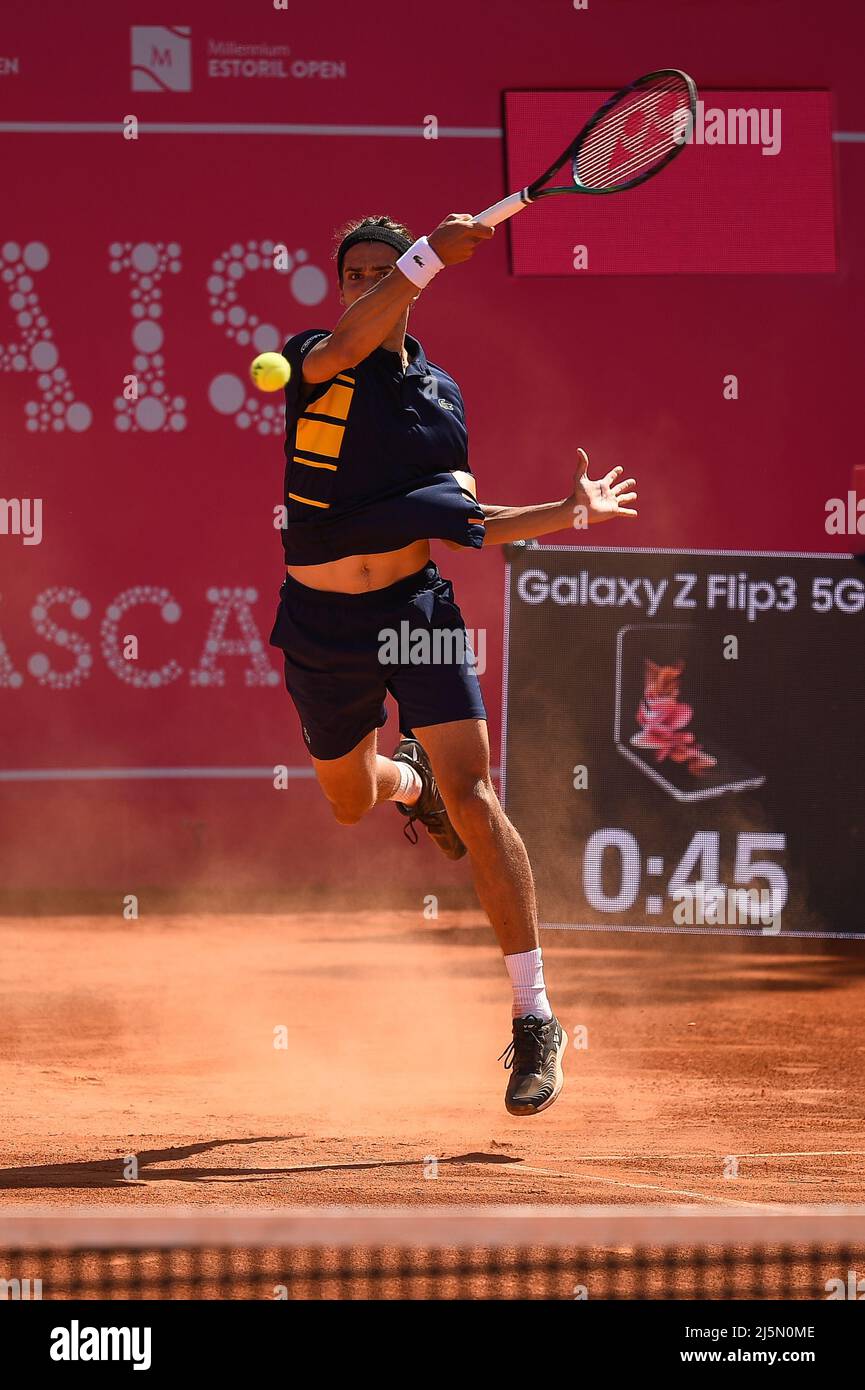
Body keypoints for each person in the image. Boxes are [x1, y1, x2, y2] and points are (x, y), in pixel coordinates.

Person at [269, 213, 637, 1115]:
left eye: (378, 271)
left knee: (476, 794)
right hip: (322, 623)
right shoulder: (313, 355)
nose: (362, 284)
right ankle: (407, 785)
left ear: (404, 279)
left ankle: (533, 1015)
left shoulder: (439, 395)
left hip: (415, 611)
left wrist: (566, 512)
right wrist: (425, 257)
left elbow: (463, 524)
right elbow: (354, 336)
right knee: (349, 800)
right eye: (351, 271)